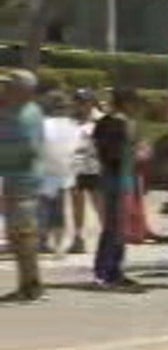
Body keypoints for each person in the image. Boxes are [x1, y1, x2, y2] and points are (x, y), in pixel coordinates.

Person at [0, 70, 45, 302]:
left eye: (9, 86)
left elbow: (25, 152)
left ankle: (31, 286)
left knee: (23, 236)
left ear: (23, 91)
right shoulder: (14, 111)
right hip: (13, 181)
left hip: (23, 183)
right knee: (18, 236)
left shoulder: (25, 115)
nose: (4, 89)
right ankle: (27, 284)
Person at [91, 87, 140, 288]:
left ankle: (111, 270)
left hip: (111, 178)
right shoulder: (121, 124)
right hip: (119, 180)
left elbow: (98, 147)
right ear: (127, 103)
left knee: (115, 228)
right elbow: (116, 155)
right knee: (116, 228)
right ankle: (107, 271)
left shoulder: (104, 123)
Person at [39, 92, 80, 256]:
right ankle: (56, 246)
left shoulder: (44, 124)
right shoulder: (72, 125)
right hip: (62, 173)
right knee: (57, 211)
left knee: (45, 209)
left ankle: (46, 241)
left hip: (47, 172)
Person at [68, 89, 103, 254]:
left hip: (95, 167)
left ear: (91, 102)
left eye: (83, 101)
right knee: (77, 202)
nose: (80, 105)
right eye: (78, 101)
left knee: (99, 202)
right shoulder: (72, 121)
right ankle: (78, 237)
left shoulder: (100, 119)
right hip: (76, 166)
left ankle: (107, 236)